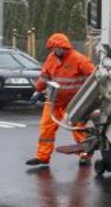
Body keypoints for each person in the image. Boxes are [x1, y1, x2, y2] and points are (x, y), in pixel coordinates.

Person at [25, 34, 96, 167]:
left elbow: (95, 76)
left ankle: (85, 155)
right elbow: (44, 76)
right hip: (53, 101)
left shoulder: (79, 59)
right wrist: (37, 91)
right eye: (52, 49)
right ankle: (42, 157)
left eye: (55, 48)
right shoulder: (51, 58)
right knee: (46, 130)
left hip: (73, 103)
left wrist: (89, 97)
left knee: (78, 130)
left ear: (64, 47)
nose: (53, 51)